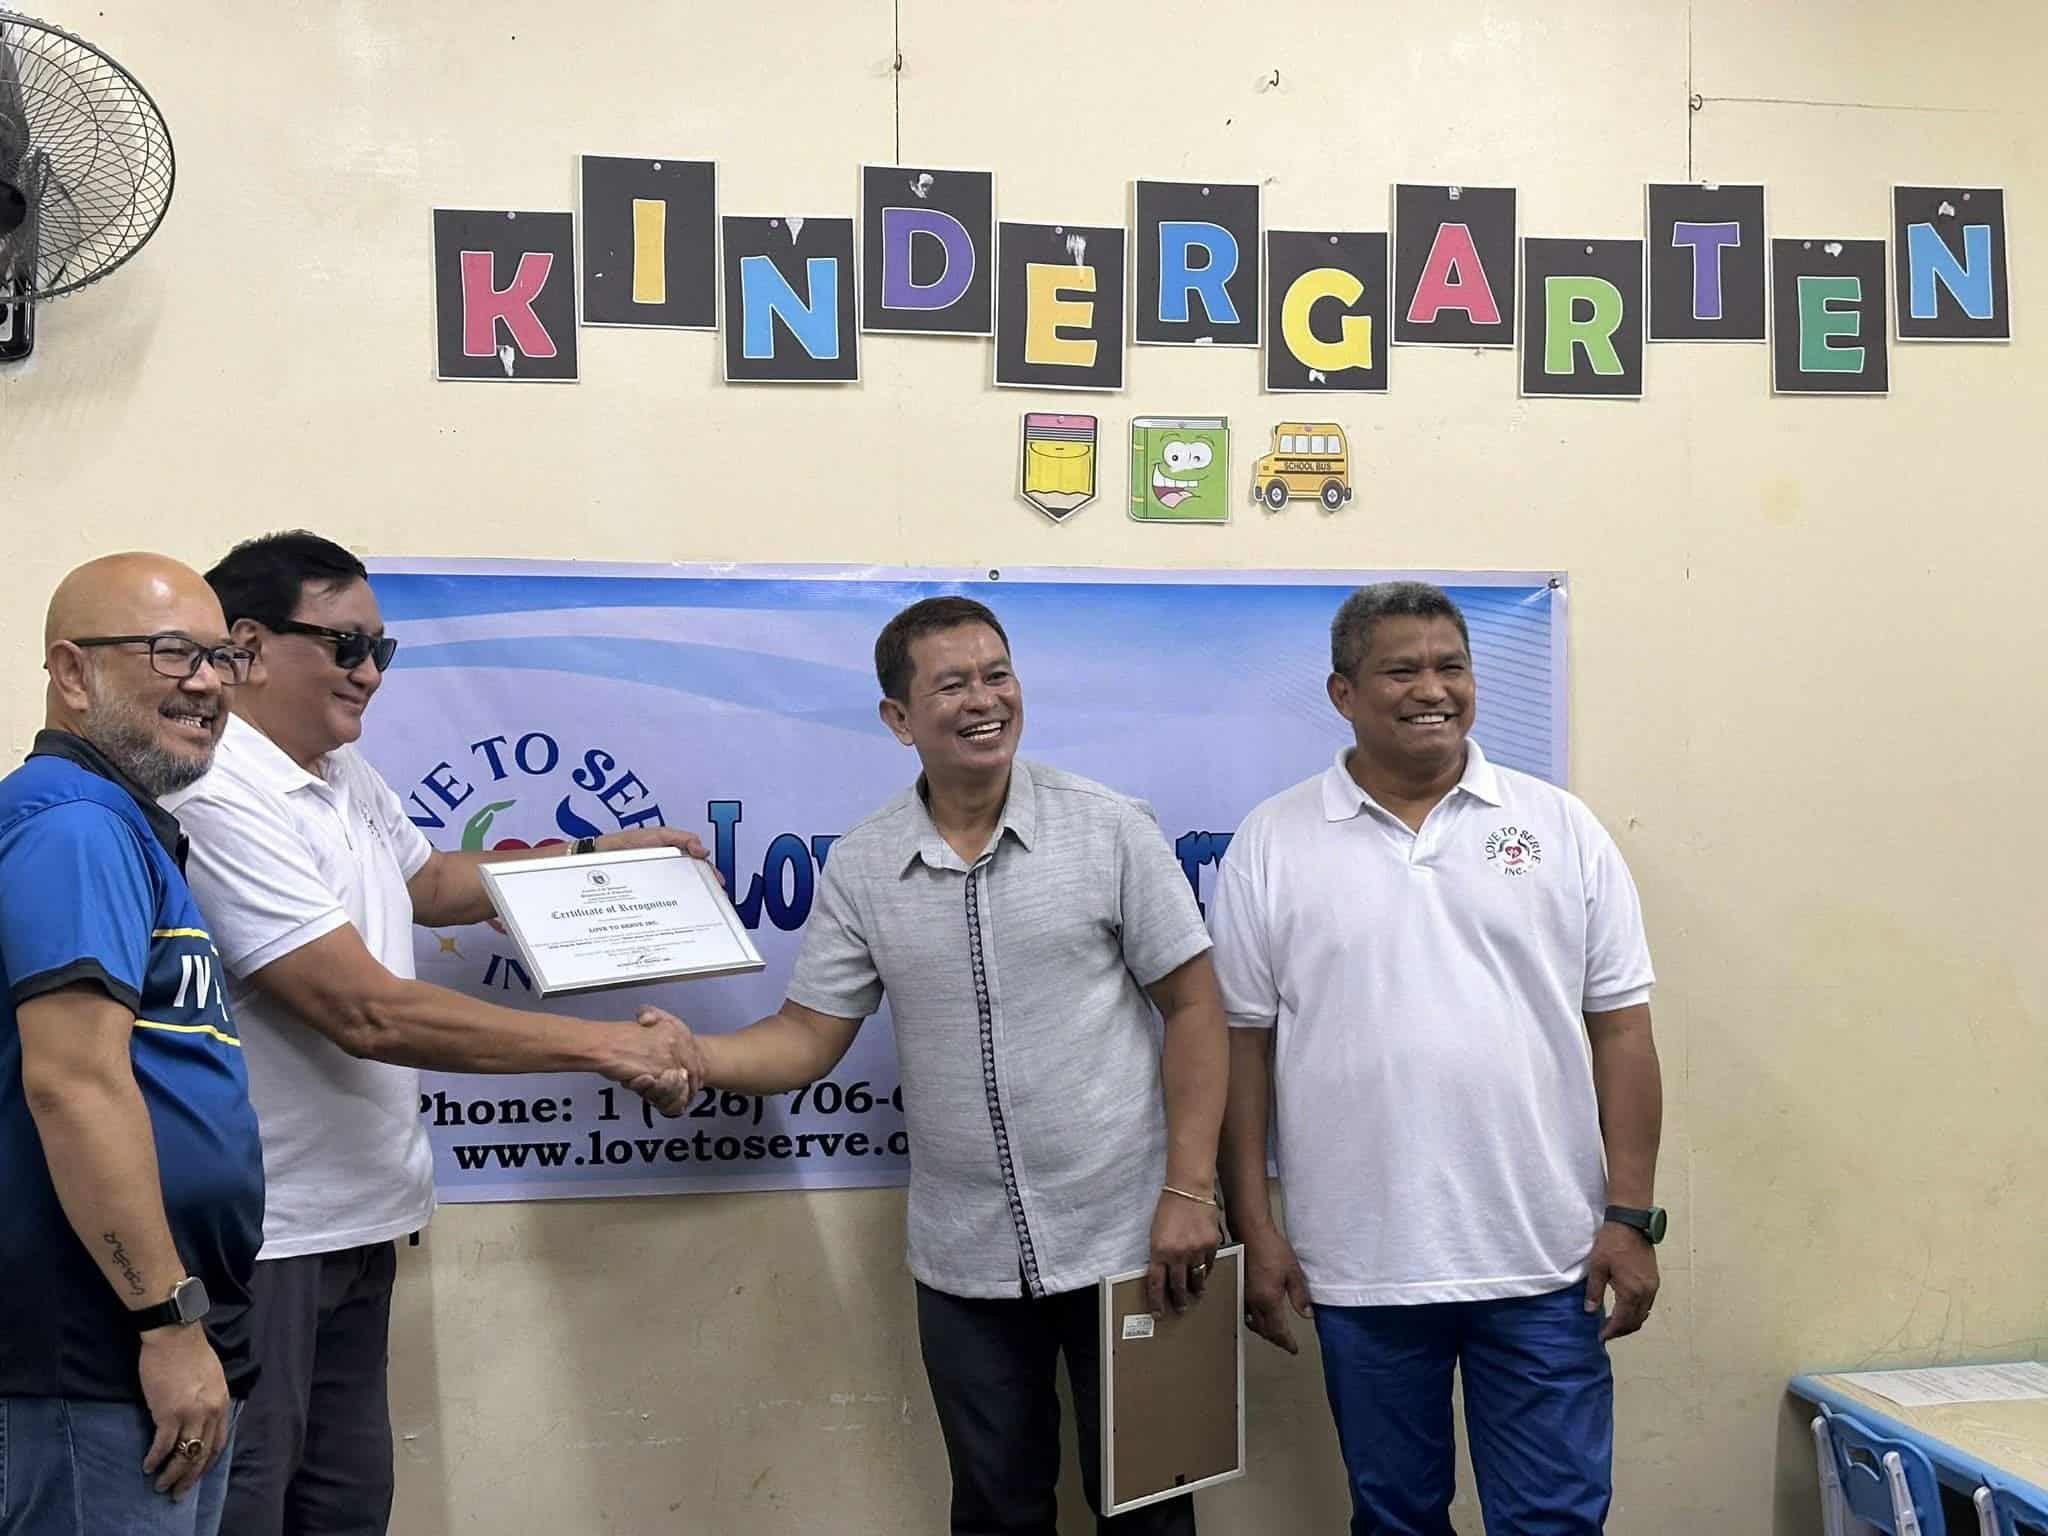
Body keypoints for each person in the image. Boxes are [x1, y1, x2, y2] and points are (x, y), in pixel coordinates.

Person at [160, 532, 705, 1536]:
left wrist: (593, 856)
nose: (370, 674)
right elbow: (363, 1010)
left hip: (362, 1219)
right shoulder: (218, 791)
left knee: (344, 1506)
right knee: (246, 1509)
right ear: (246, 647)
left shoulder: (340, 771)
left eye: (382, 650)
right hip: (264, 1241)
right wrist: (605, 1049)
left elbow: (433, 883)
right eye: (346, 647)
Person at [674, 595, 1229, 1535]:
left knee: (1150, 1508)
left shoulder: (1110, 829)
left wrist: (1189, 1191)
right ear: (900, 718)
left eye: (997, 676)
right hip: (965, 1263)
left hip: (1134, 1243)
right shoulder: (865, 864)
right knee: (995, 1511)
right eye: (953, 685)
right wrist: (696, 1057)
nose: (984, 700)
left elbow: (1196, 1007)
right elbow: (807, 1035)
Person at [1208, 581, 1663, 1536]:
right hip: (1362, 1267)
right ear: (1343, 693)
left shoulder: (1560, 828)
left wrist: (1630, 1218)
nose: (1433, 690)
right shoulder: (1272, 842)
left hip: (1547, 1262)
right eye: (1401, 670)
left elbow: (1622, 1030)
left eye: (1452, 666)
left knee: (1555, 1521)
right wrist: (1256, 1230)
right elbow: (1241, 1053)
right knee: (1396, 1519)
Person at [0, 555, 266, 1535]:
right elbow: (72, 1085)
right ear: (73, 673)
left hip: (149, 1342)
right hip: (96, 1348)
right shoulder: (72, 825)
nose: (208, 684)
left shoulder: (126, 826)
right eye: (171, 653)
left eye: (221, 658)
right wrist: (165, 1320)